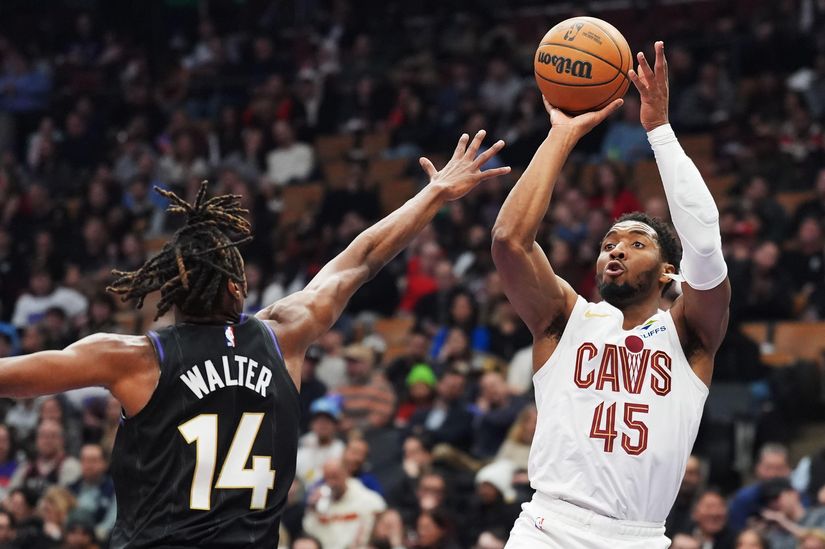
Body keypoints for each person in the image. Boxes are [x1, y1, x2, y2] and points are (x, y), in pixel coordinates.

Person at [0, 131, 510, 548]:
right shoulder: (283, 334)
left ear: (172, 292)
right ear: (234, 285)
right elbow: (363, 259)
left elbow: (16, 379)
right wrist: (434, 193)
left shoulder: (133, 358)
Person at [493, 42, 730, 548]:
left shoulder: (689, 336)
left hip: (637, 537)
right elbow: (509, 243)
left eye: (635, 243)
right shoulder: (564, 319)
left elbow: (706, 243)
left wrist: (659, 131)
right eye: (608, 243)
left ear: (669, 270)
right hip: (547, 528)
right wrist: (561, 134)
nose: (616, 251)